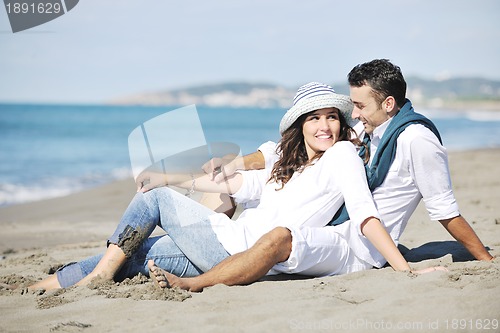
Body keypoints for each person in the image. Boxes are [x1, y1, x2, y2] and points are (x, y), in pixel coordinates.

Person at [29, 82, 426, 291]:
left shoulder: (340, 157)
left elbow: (364, 213)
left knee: (156, 197)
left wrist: (402, 267)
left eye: (331, 117)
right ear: (300, 126)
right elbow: (236, 182)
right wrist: (171, 173)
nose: (325, 126)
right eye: (314, 118)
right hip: (222, 244)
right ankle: (48, 285)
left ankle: (97, 278)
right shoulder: (286, 166)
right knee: (138, 251)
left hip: (234, 250)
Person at [148, 59, 493, 292]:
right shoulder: (373, 134)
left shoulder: (416, 140)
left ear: (388, 104)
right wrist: (235, 163)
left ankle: (193, 284)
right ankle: (113, 265)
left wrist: (486, 261)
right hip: (340, 232)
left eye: (359, 107)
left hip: (359, 247)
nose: (353, 116)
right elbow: (279, 153)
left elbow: (444, 209)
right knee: (200, 218)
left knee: (275, 236)